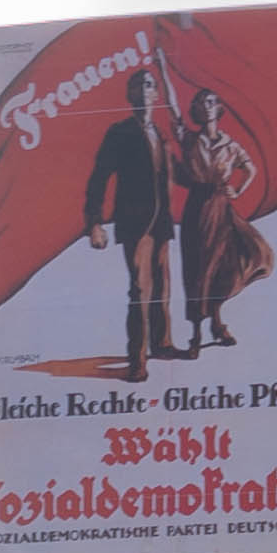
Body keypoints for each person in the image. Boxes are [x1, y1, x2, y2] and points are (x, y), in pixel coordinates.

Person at [82, 67, 180, 382]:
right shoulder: (119, 132)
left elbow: (178, 174)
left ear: (156, 94)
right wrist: (94, 222)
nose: (144, 89)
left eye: (149, 85)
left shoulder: (162, 135)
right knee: (140, 289)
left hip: (162, 222)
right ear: (129, 94)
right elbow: (99, 178)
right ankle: (137, 361)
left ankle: (162, 344)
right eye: (138, 85)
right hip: (135, 222)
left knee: (162, 287)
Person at [172, 86, 273, 353]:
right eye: (202, 102)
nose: (207, 106)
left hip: (221, 208)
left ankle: (216, 323)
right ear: (196, 109)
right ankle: (196, 334)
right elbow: (172, 108)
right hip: (197, 209)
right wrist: (162, 68)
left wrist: (237, 190)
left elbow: (250, 168)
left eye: (211, 102)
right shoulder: (189, 139)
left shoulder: (231, 146)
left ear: (218, 109)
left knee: (222, 266)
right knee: (196, 270)